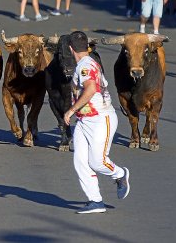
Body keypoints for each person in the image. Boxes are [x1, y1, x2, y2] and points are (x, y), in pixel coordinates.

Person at [64, 31, 130, 214]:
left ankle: (120, 174)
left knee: (97, 162)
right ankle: (95, 201)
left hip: (101, 119)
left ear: (70, 49)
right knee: (80, 161)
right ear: (86, 46)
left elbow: (91, 88)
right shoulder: (86, 63)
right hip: (84, 121)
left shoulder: (85, 66)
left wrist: (71, 110)